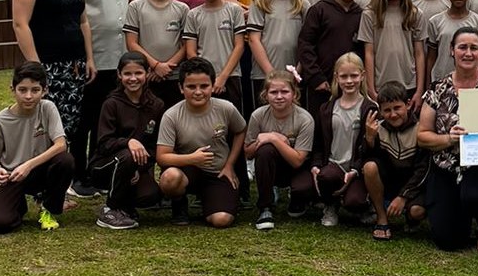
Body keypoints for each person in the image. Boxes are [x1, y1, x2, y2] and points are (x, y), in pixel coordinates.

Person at [11, 0, 94, 189]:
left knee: (68, 126)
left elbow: (83, 22)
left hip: (75, 68)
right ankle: (37, 182)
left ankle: (62, 182)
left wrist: (89, 58)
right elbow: (20, 25)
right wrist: (36, 68)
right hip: (47, 67)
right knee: (43, 126)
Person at [417, 26, 478, 252]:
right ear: (452, 51)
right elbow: (422, 136)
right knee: (448, 240)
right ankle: (464, 214)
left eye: (474, 48)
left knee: (477, 194)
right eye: (462, 47)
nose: (468, 53)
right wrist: (450, 139)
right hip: (447, 167)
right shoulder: (438, 88)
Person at [74, 0, 134, 198]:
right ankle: (78, 173)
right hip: (91, 53)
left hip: (119, 53)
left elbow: (127, 3)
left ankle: (100, 169)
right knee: (84, 116)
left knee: (106, 117)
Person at [0, 61, 75, 234]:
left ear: (44, 90)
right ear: (12, 89)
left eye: (35, 90)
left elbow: (61, 145)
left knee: (65, 161)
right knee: (0, 224)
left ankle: (48, 209)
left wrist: (28, 165)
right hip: (13, 176)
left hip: (40, 172)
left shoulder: (47, 108)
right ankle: (16, 207)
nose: (28, 96)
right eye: (22, 90)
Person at [156, 58, 247, 228]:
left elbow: (241, 130)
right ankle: (179, 203)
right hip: (187, 171)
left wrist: (230, 164)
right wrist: (192, 159)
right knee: (169, 178)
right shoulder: (171, 115)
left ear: (213, 86)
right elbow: (162, 157)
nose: (198, 92)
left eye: (204, 86)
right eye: (191, 87)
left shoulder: (226, 108)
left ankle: (211, 202)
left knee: (222, 220)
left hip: (217, 172)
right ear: (181, 88)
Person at [87, 52, 165, 230]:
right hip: (105, 165)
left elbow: (155, 147)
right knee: (127, 156)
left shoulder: (156, 105)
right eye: (127, 74)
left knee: (150, 195)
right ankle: (110, 209)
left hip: (136, 166)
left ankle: (126, 207)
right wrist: (128, 142)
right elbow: (104, 143)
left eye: (138, 73)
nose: (133, 79)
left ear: (147, 73)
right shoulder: (111, 104)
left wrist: (139, 168)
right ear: (119, 75)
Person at [297, 0, 365, 129]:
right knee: (320, 125)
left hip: (350, 84)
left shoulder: (362, 15)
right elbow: (305, 45)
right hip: (321, 84)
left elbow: (364, 50)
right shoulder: (320, 10)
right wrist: (316, 77)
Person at [313, 53, 377, 227]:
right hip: (334, 165)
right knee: (325, 176)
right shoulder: (327, 108)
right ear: (336, 77)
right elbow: (318, 142)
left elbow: (372, 150)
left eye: (354, 76)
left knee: (354, 201)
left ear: (362, 76)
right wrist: (316, 166)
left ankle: (363, 205)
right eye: (344, 76)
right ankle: (330, 206)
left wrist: (355, 170)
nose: (349, 81)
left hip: (357, 170)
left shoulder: (369, 108)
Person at [248, 71, 316, 231]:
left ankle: (298, 199)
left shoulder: (304, 119)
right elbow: (248, 152)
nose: (279, 96)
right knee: (264, 151)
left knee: (302, 189)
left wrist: (274, 138)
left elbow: (298, 160)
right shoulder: (258, 116)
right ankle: (265, 207)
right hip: (271, 165)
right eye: (274, 92)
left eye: (284, 91)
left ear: (294, 94)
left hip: (297, 168)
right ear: (266, 95)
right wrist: (269, 141)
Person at [361, 83, 429, 240]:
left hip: (414, 187)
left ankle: (411, 218)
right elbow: (366, 161)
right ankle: (381, 218)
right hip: (389, 182)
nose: (392, 114)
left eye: (397, 108)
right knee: (370, 167)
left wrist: (403, 197)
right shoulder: (377, 128)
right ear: (380, 111)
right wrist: (370, 139)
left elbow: (424, 169)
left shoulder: (420, 129)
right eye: (387, 110)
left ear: (407, 104)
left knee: (417, 211)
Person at [358, 0, 427, 108]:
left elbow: (419, 53)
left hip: (408, 84)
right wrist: (371, 89)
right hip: (381, 84)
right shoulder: (370, 14)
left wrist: (419, 90)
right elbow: (369, 53)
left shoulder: (415, 14)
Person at [181, 0, 247, 113]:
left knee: (233, 122)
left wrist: (222, 77)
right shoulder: (193, 15)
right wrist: (205, 79)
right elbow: (191, 52)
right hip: (203, 80)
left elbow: (239, 46)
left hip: (231, 76)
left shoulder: (234, 11)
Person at [125, 0, 188, 109]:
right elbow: (131, 43)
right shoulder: (136, 7)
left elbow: (187, 45)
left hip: (174, 76)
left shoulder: (182, 9)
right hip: (147, 76)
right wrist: (155, 66)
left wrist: (166, 67)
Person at [247, 0, 306, 104]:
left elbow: (308, 42)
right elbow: (254, 39)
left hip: (293, 76)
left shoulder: (302, 3)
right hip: (263, 74)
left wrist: (297, 72)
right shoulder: (259, 2)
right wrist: (271, 74)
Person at [426, 0, 478, 85]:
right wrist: (427, 86)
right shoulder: (435, 22)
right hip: (441, 82)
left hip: (472, 83)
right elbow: (431, 57)